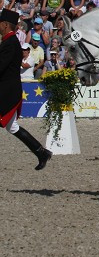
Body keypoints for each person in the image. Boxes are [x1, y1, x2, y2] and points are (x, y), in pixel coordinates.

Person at [0, 9, 52, 170]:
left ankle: (42, 152)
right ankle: (41, 152)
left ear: (5, 25)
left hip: (6, 92)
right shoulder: (10, 41)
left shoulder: (9, 43)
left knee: (11, 126)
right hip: (8, 90)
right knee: (12, 127)